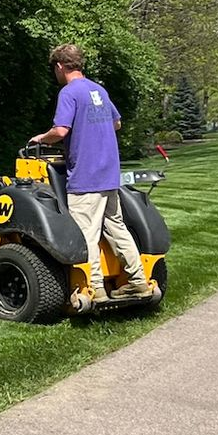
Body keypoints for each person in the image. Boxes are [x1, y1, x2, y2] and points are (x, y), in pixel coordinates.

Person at [28, 44, 150, 302]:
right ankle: (138, 282)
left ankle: (95, 290)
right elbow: (116, 123)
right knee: (117, 228)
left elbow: (60, 131)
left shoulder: (69, 92)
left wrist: (42, 138)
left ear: (60, 66)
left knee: (86, 234)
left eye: (54, 69)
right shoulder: (99, 90)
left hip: (86, 176)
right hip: (109, 174)